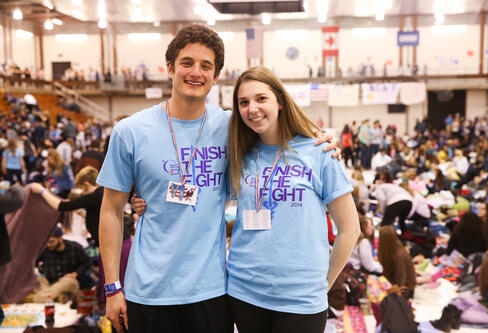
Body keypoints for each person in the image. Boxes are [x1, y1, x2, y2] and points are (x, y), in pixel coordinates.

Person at [98, 24, 338, 333]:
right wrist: (112, 287)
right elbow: (110, 211)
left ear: (216, 75)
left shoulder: (232, 126)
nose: (195, 72)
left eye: (205, 66)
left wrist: (321, 138)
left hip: (212, 290)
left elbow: (279, 130)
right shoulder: (130, 131)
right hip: (149, 291)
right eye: (187, 63)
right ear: (169, 68)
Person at [225, 66, 358, 333]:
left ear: (280, 102)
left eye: (261, 98)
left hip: (301, 298)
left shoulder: (318, 150)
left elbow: (350, 229)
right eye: (244, 102)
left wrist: (324, 284)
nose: (252, 108)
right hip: (244, 291)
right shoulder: (240, 153)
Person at [34, 227, 93, 303]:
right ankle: (57, 296)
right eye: (47, 242)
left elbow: (88, 263)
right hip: (50, 283)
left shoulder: (74, 247)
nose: (49, 245)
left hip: (70, 282)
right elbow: (33, 263)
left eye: (52, 242)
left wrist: (75, 273)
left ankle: (39, 298)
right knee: (35, 279)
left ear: (60, 239)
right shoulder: (45, 249)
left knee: (67, 281)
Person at [377, 226, 416, 299]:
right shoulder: (393, 248)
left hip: (406, 290)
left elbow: (400, 282)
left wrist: (388, 289)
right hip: (395, 284)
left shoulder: (399, 255)